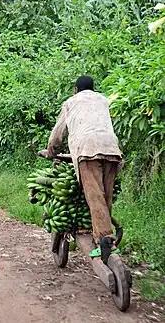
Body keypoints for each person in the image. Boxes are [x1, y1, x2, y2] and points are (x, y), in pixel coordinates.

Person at [46, 75, 124, 260]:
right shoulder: (103, 100)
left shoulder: (71, 102)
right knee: (106, 195)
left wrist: (52, 151)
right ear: (93, 88)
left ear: (75, 90)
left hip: (87, 149)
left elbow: (58, 134)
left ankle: (104, 239)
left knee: (95, 196)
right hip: (111, 148)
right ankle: (106, 234)